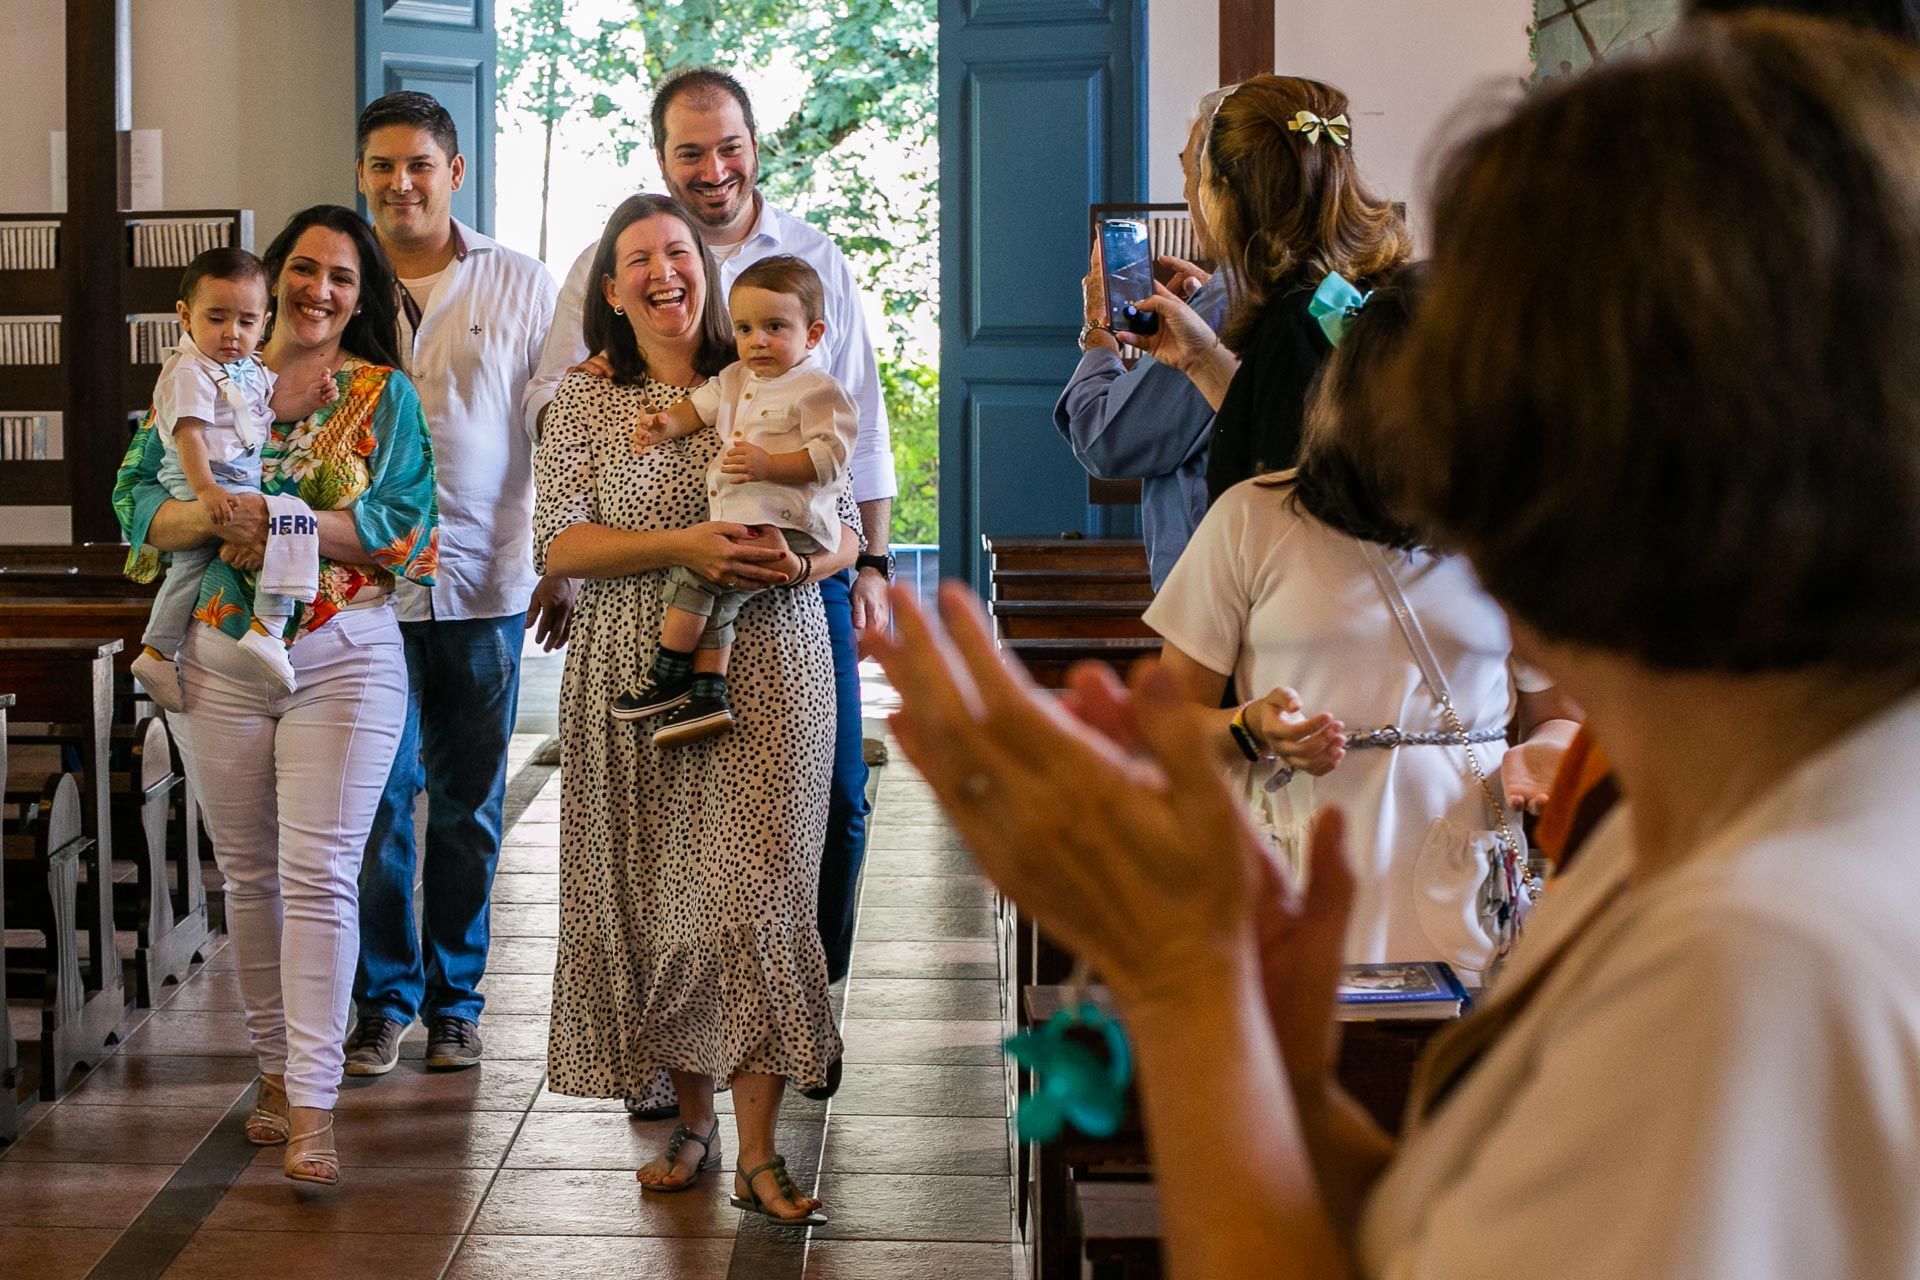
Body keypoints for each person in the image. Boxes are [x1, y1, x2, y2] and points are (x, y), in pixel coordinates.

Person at [871, 15, 1920, 1277]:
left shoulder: (1755, 958)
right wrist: (1295, 1079)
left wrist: (1182, 980)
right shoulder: (1714, 821)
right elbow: (1447, 1225)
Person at [523, 68, 888, 1000]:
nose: (714, 166)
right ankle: (683, 1047)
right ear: (664, 159)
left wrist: (864, 558)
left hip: (798, 570)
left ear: (755, 145)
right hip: (649, 593)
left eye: (728, 146)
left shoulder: (810, 262)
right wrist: (619, 383)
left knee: (830, 808)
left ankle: (805, 1003)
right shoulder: (612, 310)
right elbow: (559, 414)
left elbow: (857, 429)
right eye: (691, 151)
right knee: (668, 852)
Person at [533, 193, 857, 1224]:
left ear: (706, 270)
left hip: (773, 660)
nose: (665, 272)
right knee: (659, 899)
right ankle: (690, 1115)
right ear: (612, 287)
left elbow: (844, 525)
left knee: (751, 898)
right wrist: (681, 546)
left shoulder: (778, 371)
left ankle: (760, 1144)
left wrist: (795, 557)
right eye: (640, 259)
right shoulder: (583, 401)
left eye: (679, 252)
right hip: (633, 670)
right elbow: (560, 544)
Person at [114, 204, 439, 1187]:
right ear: (267, 280)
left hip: (343, 649)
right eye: (304, 268)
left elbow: (402, 525)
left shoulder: (383, 395)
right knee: (249, 876)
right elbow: (138, 504)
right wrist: (210, 516)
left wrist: (283, 516)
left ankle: (315, 1102)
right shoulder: (206, 379)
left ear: (363, 296)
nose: (318, 290)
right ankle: (270, 1071)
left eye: (343, 276)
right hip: (220, 653)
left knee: (321, 872)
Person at [1144, 268, 1578, 970]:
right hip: (1299, 868)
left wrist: (1542, 754)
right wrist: (1249, 730)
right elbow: (1166, 727)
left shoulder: (1507, 532)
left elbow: (1558, 716)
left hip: (1466, 873)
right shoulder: (1251, 520)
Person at [344, 91, 566, 1078]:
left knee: (470, 804)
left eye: (419, 165)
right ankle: (381, 1000)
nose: (401, 183)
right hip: (363, 593)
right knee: (382, 798)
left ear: (455, 173)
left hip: (486, 582)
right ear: (362, 176)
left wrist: (567, 550)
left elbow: (558, 425)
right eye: (383, 166)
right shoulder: (335, 283)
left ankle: (456, 1000)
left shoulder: (520, 282)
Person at [1123, 75, 1411, 504]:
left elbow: (1281, 509)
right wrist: (1200, 358)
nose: (1192, 192)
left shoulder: (1293, 326)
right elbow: (1293, 442)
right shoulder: (1369, 289)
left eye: (1199, 175)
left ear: (1228, 194)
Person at [621, 254, 856, 745]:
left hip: (787, 526)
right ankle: (708, 694)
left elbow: (830, 458)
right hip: (742, 518)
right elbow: (699, 407)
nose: (758, 341)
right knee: (719, 592)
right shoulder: (734, 379)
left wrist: (772, 466)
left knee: (697, 574)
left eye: (775, 327)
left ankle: (669, 674)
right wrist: (666, 425)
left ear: (812, 334)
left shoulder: (819, 390)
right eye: (745, 329)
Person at [130, 248, 338, 707]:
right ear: (185, 316)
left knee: (190, 569)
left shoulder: (247, 369)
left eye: (245, 322)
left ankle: (157, 650)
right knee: (290, 526)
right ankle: (268, 629)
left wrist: (311, 400)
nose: (231, 333)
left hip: (233, 478)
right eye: (217, 318)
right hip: (208, 478)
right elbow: (188, 436)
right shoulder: (188, 371)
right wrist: (206, 494)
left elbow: (269, 414)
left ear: (264, 321)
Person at [1056, 86, 1234, 589]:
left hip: (1217, 597)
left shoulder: (1233, 304)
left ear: (1224, 186)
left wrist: (1099, 330)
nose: (1186, 193)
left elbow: (1104, 437)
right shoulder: (1330, 284)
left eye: (1190, 173)